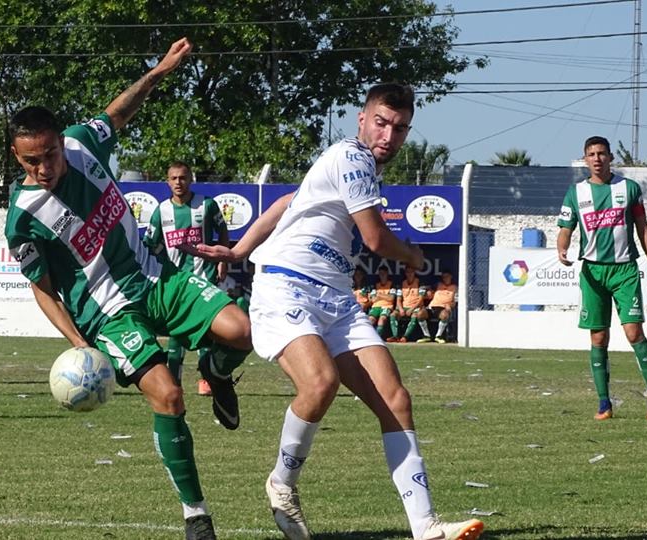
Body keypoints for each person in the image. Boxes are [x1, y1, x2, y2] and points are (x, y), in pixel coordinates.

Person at [188, 83, 483, 540]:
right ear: (362, 119)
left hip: (336, 297)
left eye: (400, 128)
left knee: (395, 400)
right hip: (287, 284)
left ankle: (426, 527)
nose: (389, 135)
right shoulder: (352, 156)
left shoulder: (354, 167)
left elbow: (289, 202)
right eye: (382, 122)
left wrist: (239, 249)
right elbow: (375, 240)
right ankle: (282, 484)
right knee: (320, 382)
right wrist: (415, 258)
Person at [3, 38, 251, 540]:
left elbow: (118, 111)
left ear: (59, 141)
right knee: (169, 396)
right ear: (17, 155)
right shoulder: (23, 219)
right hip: (109, 316)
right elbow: (43, 288)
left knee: (243, 331)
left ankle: (217, 370)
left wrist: (159, 70)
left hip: (157, 279)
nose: (44, 167)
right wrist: (78, 344)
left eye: (49, 154)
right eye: (31, 161)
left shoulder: (81, 142)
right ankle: (195, 514)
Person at [557, 135, 647, 421]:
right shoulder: (575, 193)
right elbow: (566, 227)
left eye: (602, 153)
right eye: (591, 154)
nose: (597, 158)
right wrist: (561, 246)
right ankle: (604, 404)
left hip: (624, 270)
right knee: (599, 337)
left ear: (610, 158)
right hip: (593, 271)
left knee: (634, 333)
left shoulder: (628, 188)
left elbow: (643, 229)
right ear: (585, 159)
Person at [144, 161, 230, 397]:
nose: (178, 183)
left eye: (182, 178)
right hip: (176, 282)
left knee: (205, 332)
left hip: (204, 277)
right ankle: (174, 382)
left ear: (191, 179)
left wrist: (223, 258)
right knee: (176, 334)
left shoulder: (206, 205)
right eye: (174, 178)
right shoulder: (161, 211)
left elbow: (222, 231)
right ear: (167, 182)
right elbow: (150, 244)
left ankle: (207, 380)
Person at [390, 265, 428, 343]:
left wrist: (412, 309)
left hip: (416, 306)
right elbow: (398, 299)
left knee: (414, 315)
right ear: (405, 273)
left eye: (411, 272)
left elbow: (420, 300)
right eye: (408, 272)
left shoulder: (420, 282)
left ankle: (405, 337)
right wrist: (400, 309)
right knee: (393, 314)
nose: (410, 274)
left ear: (414, 273)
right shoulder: (402, 283)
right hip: (404, 307)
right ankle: (395, 336)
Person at [418, 270, 456, 344]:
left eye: (447, 277)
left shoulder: (455, 287)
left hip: (443, 308)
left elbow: (455, 302)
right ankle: (426, 336)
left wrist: (450, 305)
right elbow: (427, 289)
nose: (445, 278)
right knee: (420, 314)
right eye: (443, 277)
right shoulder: (438, 285)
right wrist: (428, 292)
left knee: (445, 315)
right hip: (432, 307)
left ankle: (438, 336)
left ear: (451, 276)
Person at [368, 266, 398, 340]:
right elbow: (373, 300)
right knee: (370, 320)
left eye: (384, 273)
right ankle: (368, 338)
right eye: (380, 274)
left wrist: (380, 295)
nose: (382, 275)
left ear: (387, 274)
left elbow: (391, 298)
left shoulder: (391, 284)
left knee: (382, 319)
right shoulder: (375, 285)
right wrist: (385, 296)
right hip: (375, 306)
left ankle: (376, 338)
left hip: (387, 306)